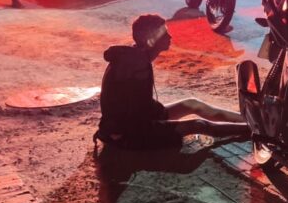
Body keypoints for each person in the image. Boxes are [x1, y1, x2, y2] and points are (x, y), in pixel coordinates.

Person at [95, 14, 251, 150]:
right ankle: (251, 129)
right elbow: (137, 111)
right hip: (126, 133)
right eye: (164, 33)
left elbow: (140, 106)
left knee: (192, 104)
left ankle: (248, 120)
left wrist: (159, 113)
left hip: (133, 121)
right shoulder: (137, 64)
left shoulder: (135, 56)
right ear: (150, 39)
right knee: (198, 125)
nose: (170, 37)